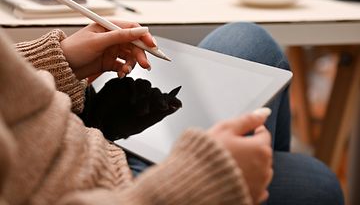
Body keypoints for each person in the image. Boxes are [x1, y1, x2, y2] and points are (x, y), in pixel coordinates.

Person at [0, 21, 343, 205]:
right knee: (318, 182)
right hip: (114, 188)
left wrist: (57, 60)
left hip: (74, 137)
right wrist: (187, 186)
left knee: (246, 38)